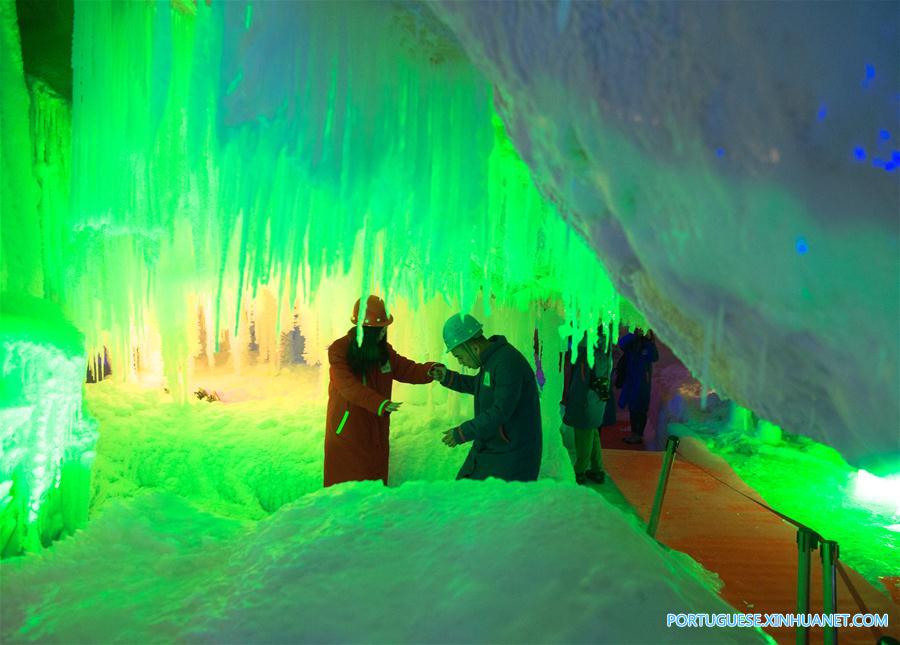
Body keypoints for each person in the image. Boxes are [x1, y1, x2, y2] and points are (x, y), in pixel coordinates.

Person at [324, 296, 441, 487]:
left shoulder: (383, 351)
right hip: (349, 430)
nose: (385, 331)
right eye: (381, 328)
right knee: (347, 488)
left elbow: (406, 369)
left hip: (376, 427)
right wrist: (379, 403)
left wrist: (430, 370)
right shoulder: (340, 350)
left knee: (375, 479)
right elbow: (347, 386)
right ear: (367, 329)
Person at [428, 314, 542, 482]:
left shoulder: (506, 363)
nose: (460, 362)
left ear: (473, 348)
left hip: (512, 455)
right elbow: (481, 386)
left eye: (459, 356)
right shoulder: (492, 361)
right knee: (465, 492)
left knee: (482, 502)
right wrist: (447, 377)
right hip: (494, 447)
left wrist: (462, 432)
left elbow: (500, 411)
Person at [561, 328, 611, 484]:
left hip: (586, 403)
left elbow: (588, 383)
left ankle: (579, 471)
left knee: (583, 435)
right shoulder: (600, 353)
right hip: (590, 403)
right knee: (592, 434)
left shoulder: (591, 355)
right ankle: (597, 469)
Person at [617, 327, 659, 444]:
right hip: (631, 380)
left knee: (640, 408)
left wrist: (648, 340)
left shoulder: (648, 346)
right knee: (632, 407)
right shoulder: (633, 343)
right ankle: (634, 433)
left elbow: (654, 357)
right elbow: (622, 344)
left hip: (642, 383)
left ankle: (638, 434)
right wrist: (634, 335)